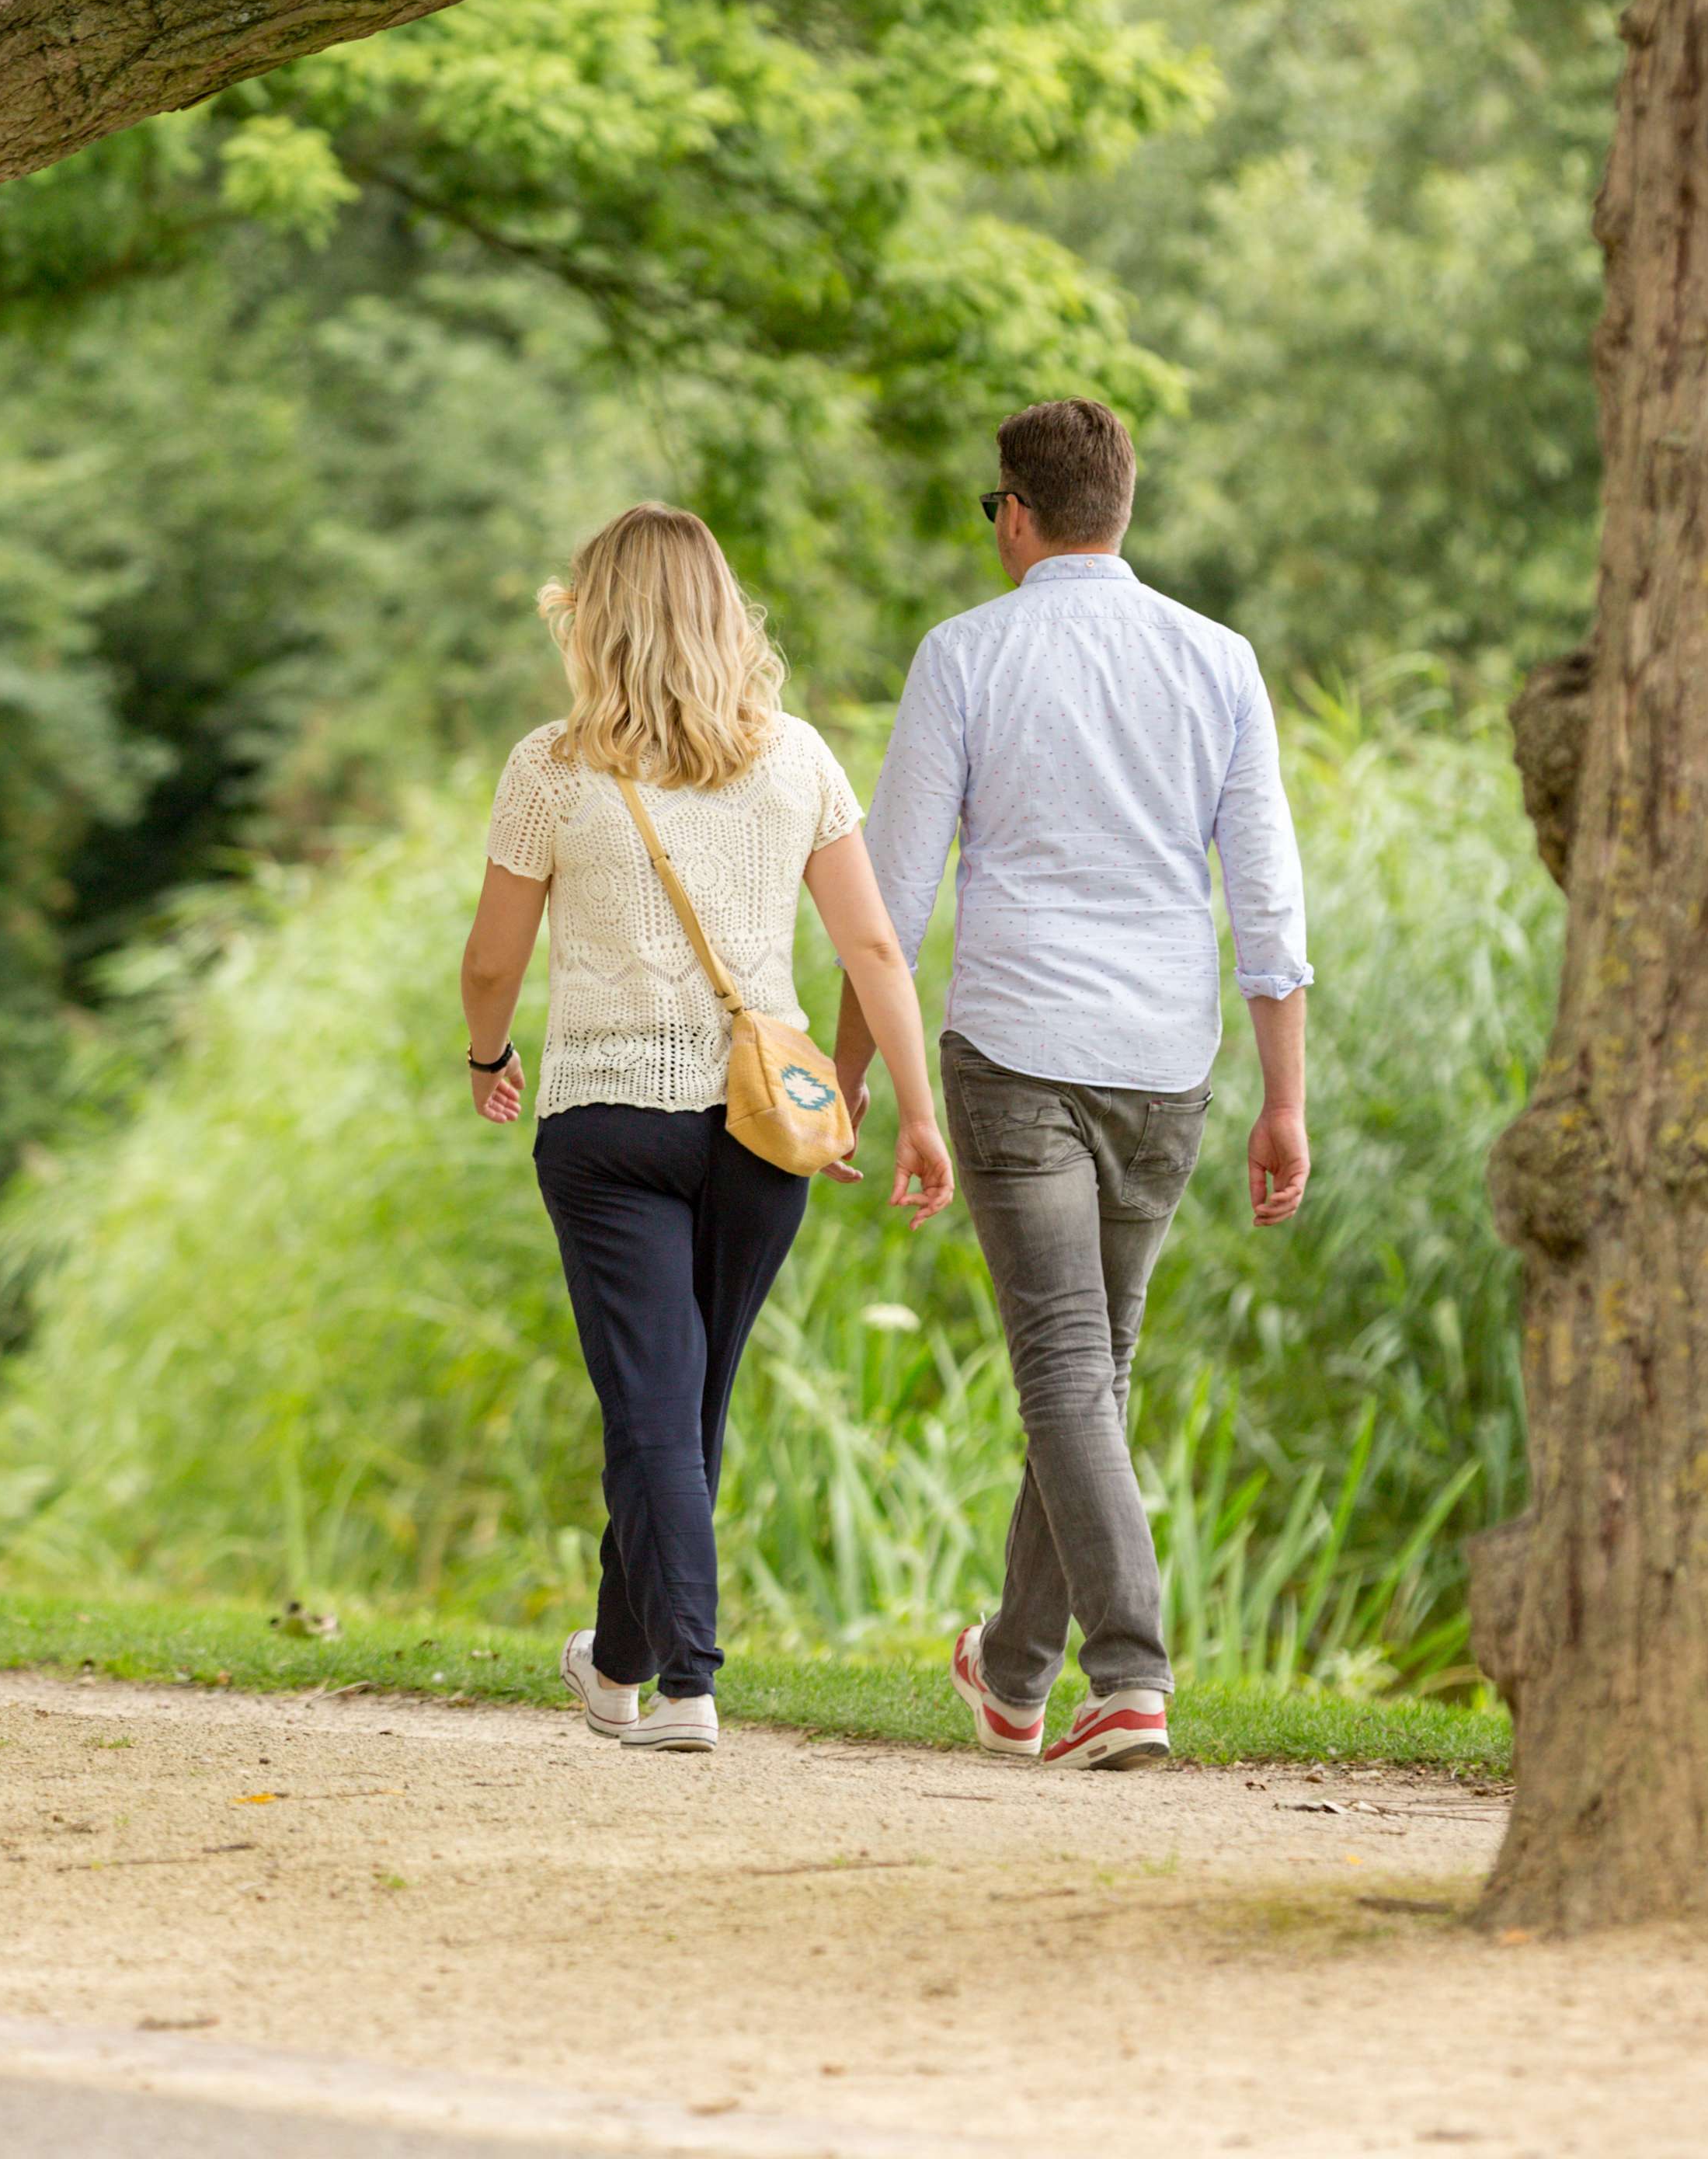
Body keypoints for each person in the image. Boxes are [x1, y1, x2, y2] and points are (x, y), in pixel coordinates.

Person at [832, 399, 1311, 1773]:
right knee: (1087, 1368)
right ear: (1126, 503)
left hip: (1019, 1051)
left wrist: (854, 1073)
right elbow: (1269, 902)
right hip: (1169, 1062)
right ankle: (1015, 1669)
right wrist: (1286, 1100)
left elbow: (893, 892)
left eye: (993, 511)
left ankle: (1131, 1671)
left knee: (1064, 1366)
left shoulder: (966, 656)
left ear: (1018, 512)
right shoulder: (1219, 661)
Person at [459, 504, 956, 1755]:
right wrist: (907, 1108)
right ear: (725, 616)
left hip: (606, 1118)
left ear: (597, 619)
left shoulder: (551, 769)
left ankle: (687, 1682)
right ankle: (619, 1665)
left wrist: (488, 1052)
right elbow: (874, 945)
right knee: (684, 1405)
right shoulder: (795, 760)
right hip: (760, 1125)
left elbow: (488, 963)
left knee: (652, 1413)